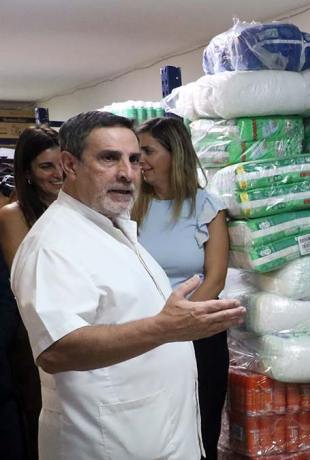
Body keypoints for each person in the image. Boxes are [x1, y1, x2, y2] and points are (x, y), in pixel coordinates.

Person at [11, 111, 245, 459]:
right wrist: (165, 328)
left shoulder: (113, 226)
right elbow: (57, 349)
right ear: (69, 165)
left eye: (134, 159)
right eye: (109, 158)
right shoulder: (53, 244)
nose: (127, 172)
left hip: (154, 434)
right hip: (109, 442)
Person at [133, 117, 229, 460]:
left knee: (201, 429)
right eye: (137, 153)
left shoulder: (207, 207)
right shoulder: (130, 207)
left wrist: (178, 323)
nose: (140, 160)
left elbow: (215, 279)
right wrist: (159, 327)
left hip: (199, 333)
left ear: (175, 154)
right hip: (143, 333)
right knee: (152, 432)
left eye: (148, 151)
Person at [0, 126, 63, 460]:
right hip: (37, 335)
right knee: (43, 417)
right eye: (46, 167)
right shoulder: (13, 215)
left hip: (82, 326)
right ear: (27, 172)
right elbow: (26, 282)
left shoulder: (83, 210)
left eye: (62, 164)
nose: (58, 174)